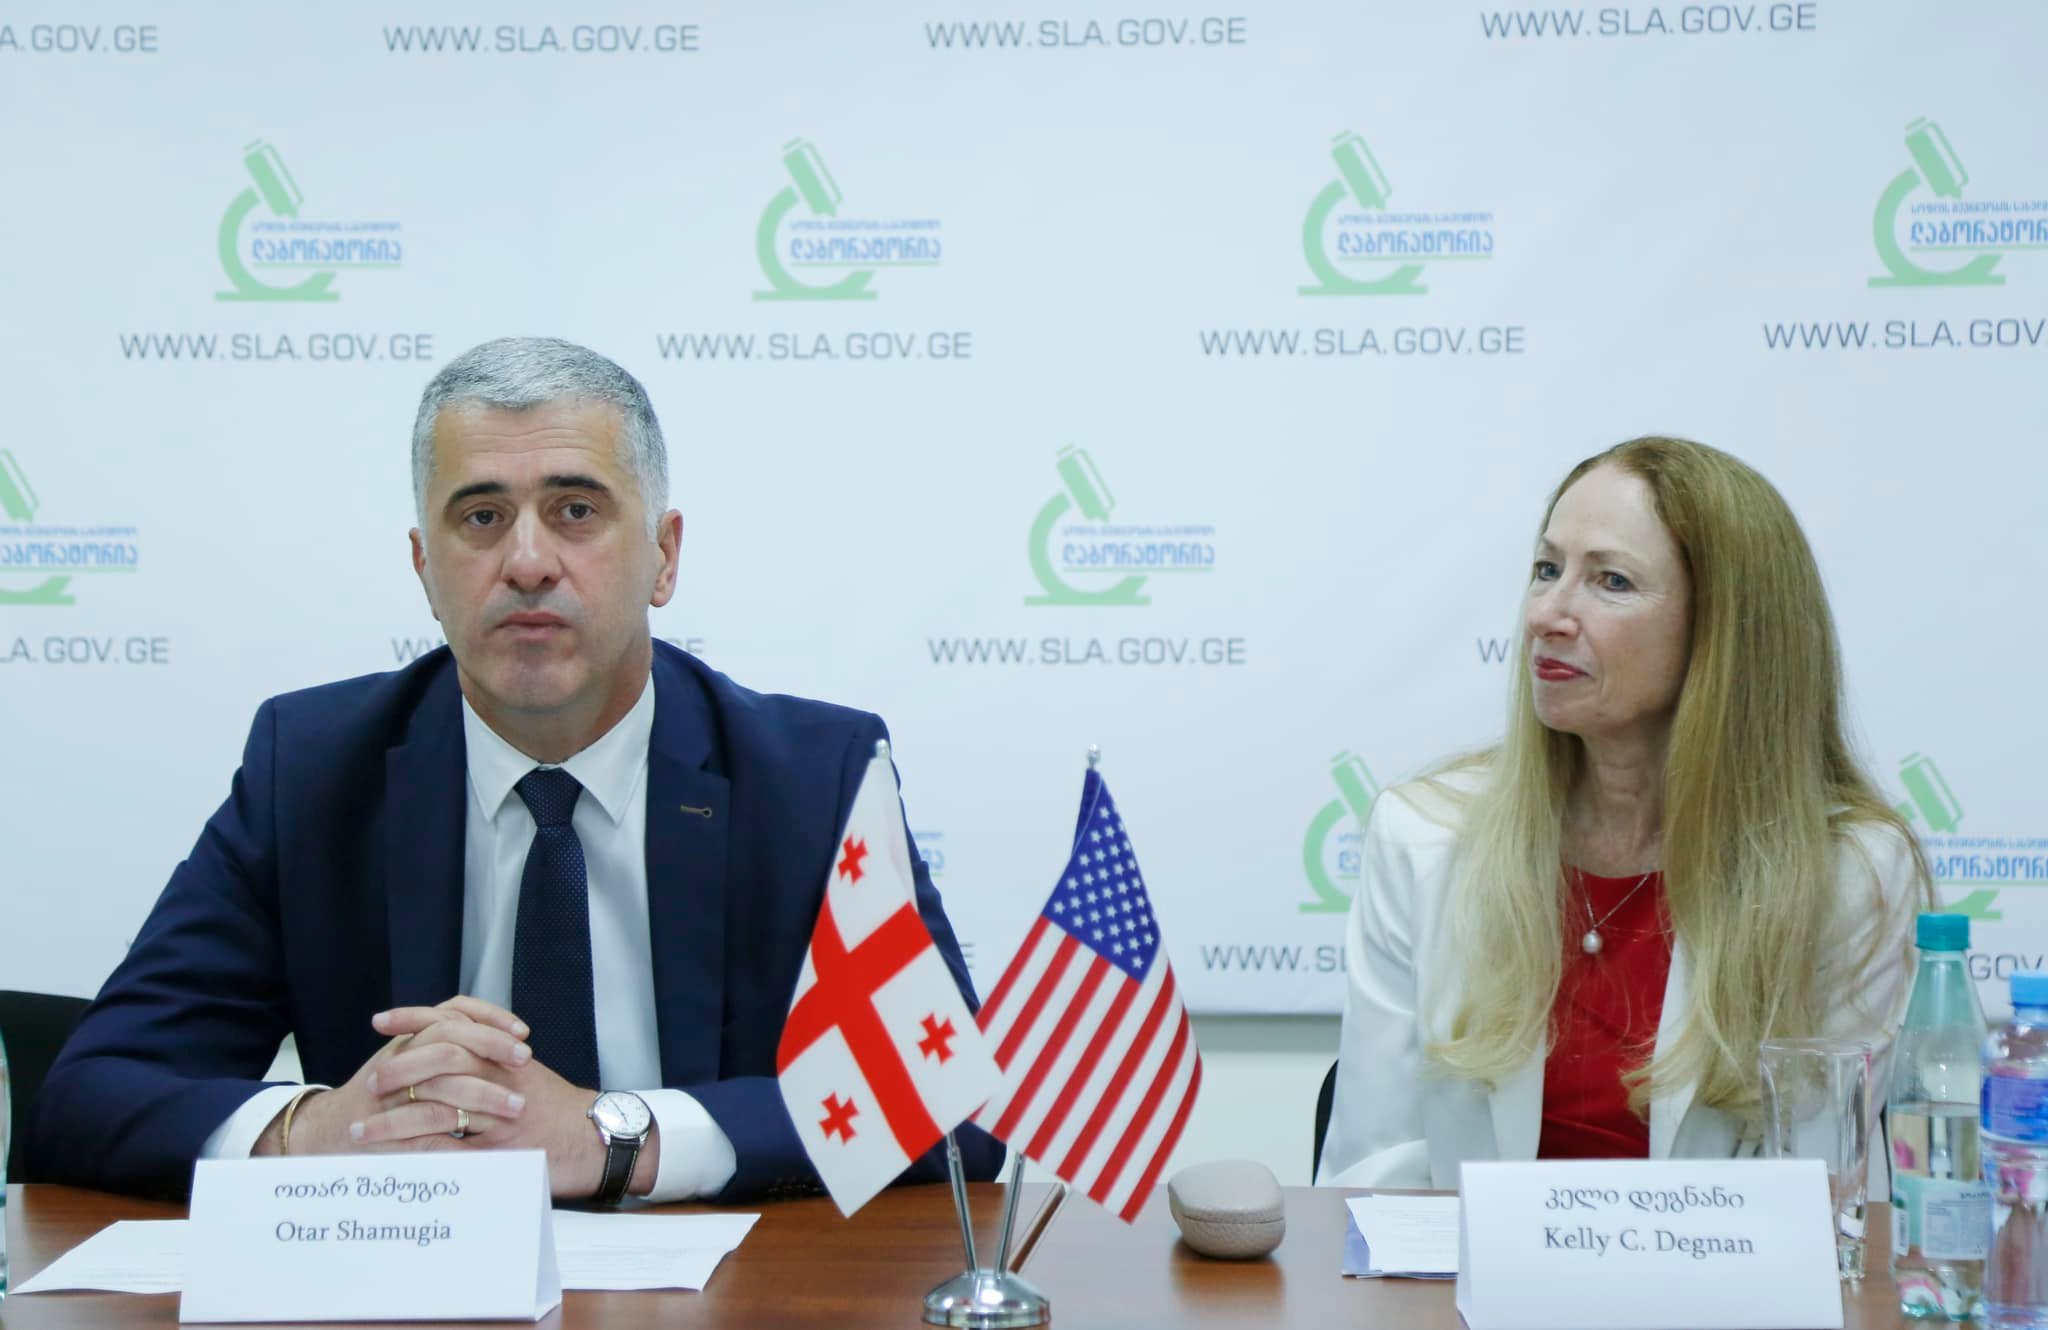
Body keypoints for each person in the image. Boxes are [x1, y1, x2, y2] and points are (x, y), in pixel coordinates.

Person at [31, 337, 1002, 1202]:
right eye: (482, 516)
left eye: (575, 510)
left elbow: (944, 1108)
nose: (528, 561)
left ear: (664, 557)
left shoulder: (813, 779)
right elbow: (90, 1093)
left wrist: (615, 1137)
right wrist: (318, 1129)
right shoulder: (314, 771)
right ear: (425, 567)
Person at [1315, 436, 1929, 1189]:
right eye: (1547, 569)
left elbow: (1815, 1198)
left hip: (1715, 1271)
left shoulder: (1846, 872)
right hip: (1461, 1269)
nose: (1547, 614)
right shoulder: (1424, 836)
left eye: (1611, 581)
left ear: (1724, 633)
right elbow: (1371, 1177)